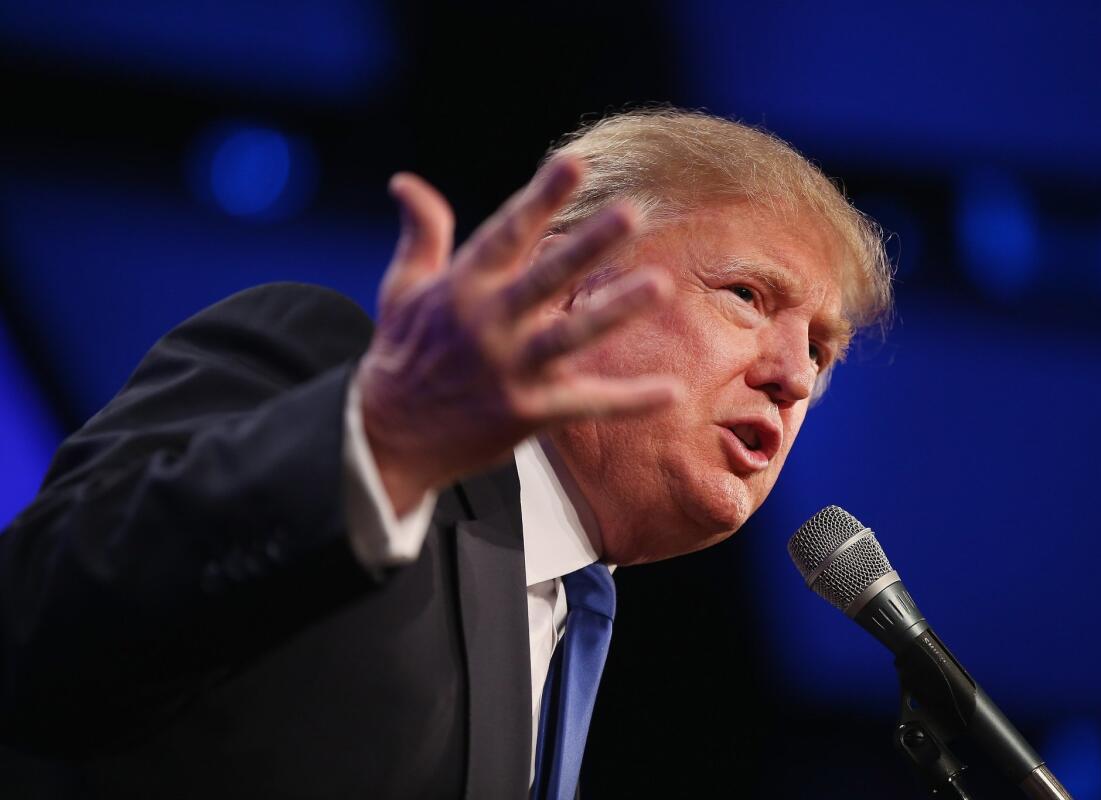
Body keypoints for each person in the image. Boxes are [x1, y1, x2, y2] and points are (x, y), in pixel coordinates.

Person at [0, 108, 892, 798]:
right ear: (568, 283)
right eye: (745, 294)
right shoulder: (327, 376)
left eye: (821, 348)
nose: (793, 377)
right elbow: (37, 624)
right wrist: (372, 450)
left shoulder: (578, 614)